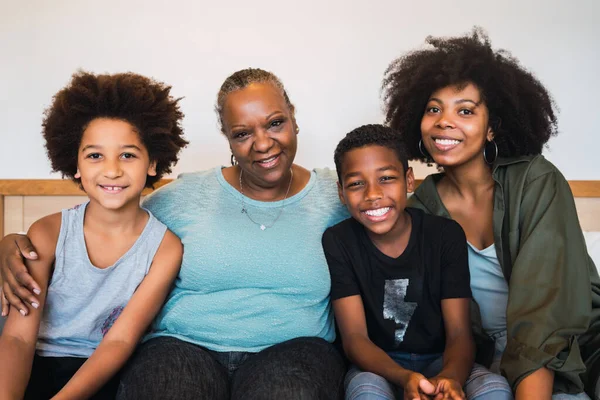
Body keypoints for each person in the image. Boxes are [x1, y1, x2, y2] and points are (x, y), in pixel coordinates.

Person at [0, 68, 350, 399]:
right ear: (228, 138)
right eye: (242, 133)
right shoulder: (184, 198)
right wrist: (9, 243)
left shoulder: (339, 197)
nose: (262, 143)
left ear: (294, 118)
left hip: (295, 351)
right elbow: (115, 216)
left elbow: (397, 221)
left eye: (275, 123)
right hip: (182, 347)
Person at [382, 28, 600, 400]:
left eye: (465, 111)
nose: (443, 121)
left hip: (571, 347)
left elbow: (543, 315)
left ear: (492, 128)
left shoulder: (536, 181)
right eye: (433, 108)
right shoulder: (419, 209)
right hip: (482, 359)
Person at [0, 71, 186, 399]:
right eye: (95, 155)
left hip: (105, 369)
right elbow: (18, 339)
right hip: (35, 362)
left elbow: (119, 341)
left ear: (152, 163)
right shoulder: (48, 232)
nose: (111, 169)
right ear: (76, 165)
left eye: (127, 155)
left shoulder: (164, 248)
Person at [323, 124, 512, 400]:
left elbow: (459, 332)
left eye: (386, 178)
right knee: (365, 393)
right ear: (341, 192)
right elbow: (355, 340)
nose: (373, 194)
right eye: (356, 184)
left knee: (495, 390)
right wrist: (406, 378)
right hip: (378, 364)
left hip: (443, 358)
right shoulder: (339, 241)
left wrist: (450, 378)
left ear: (409, 180)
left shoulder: (444, 235)